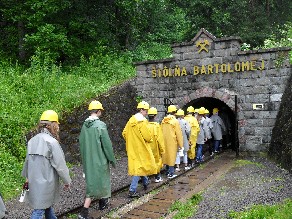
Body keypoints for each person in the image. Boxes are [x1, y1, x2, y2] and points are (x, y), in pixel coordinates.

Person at [21, 110, 71, 219]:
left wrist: (27, 178)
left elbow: (27, 162)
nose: (58, 126)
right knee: (38, 211)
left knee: (47, 206)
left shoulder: (32, 141)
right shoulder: (52, 142)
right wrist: (67, 180)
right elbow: (60, 165)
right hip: (47, 183)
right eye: (57, 124)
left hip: (34, 181)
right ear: (52, 125)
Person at [78, 100, 116, 219]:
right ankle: (84, 212)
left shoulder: (84, 126)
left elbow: (81, 142)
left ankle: (102, 203)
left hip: (88, 159)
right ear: (98, 111)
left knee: (93, 181)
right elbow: (107, 145)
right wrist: (112, 159)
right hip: (100, 159)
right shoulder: (100, 125)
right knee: (101, 181)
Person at [122, 101, 157, 198]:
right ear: (142, 110)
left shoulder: (131, 120)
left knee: (140, 165)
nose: (147, 113)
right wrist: (148, 140)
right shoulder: (142, 121)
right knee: (139, 167)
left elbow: (124, 133)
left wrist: (131, 141)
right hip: (141, 148)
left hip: (132, 148)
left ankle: (145, 182)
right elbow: (147, 136)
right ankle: (132, 190)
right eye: (146, 111)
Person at [161, 105, 183, 178]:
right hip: (172, 142)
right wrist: (181, 144)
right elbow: (178, 134)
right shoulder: (175, 121)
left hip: (164, 141)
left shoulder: (163, 121)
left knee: (166, 156)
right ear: (174, 112)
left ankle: (167, 172)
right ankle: (171, 173)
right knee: (172, 156)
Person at [147, 107, 165, 183]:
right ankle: (157, 177)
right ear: (155, 116)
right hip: (155, 147)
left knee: (148, 161)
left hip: (147, 147)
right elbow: (160, 139)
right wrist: (162, 149)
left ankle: (147, 177)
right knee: (157, 161)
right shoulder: (156, 126)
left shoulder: (145, 125)